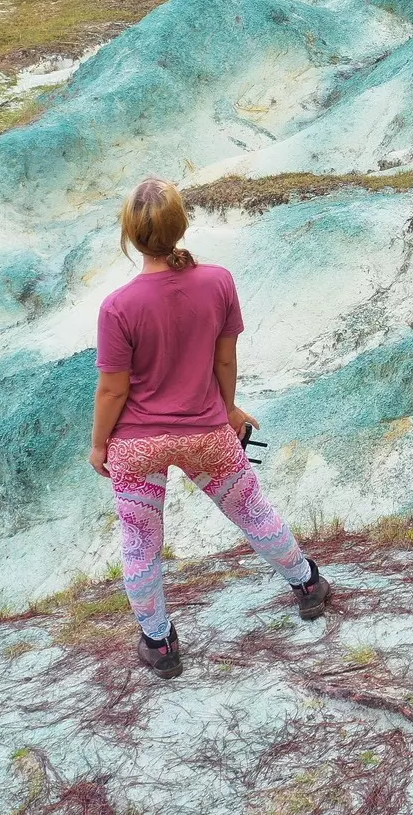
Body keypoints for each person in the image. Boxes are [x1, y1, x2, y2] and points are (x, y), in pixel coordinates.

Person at [90, 177, 330, 678]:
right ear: (181, 226)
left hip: (137, 444)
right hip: (207, 433)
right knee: (252, 511)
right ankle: (307, 587)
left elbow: (113, 390)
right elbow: (225, 359)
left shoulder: (118, 306)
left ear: (131, 236)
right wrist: (231, 410)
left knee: (140, 544)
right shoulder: (218, 281)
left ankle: (159, 644)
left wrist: (99, 446)